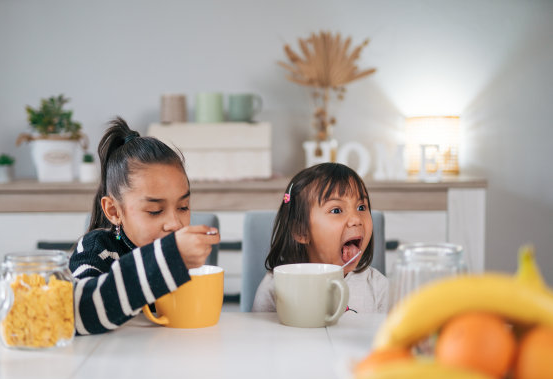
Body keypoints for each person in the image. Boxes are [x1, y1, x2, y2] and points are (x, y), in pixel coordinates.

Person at [70, 117, 220, 335]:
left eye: (184, 207)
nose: (175, 224)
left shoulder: (185, 256)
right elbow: (78, 311)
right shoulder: (98, 250)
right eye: (154, 211)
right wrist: (167, 260)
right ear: (114, 211)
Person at [252, 162, 388, 313]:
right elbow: (261, 335)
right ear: (301, 231)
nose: (356, 219)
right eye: (336, 210)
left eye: (361, 207)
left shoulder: (378, 287)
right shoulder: (276, 286)